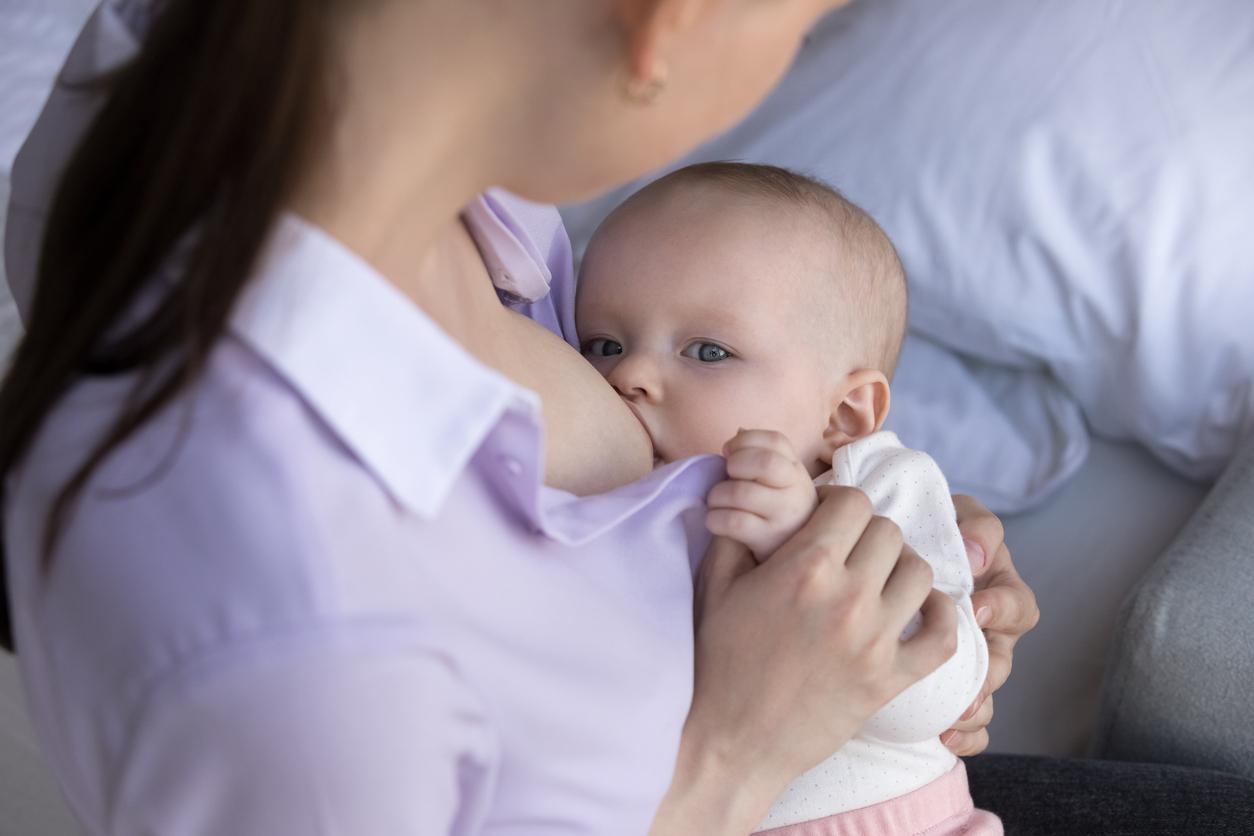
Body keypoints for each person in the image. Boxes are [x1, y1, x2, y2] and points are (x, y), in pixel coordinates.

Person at [0, 0, 1041, 833]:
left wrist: (879, 573)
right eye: (801, 30)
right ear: (664, 24)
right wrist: (740, 742)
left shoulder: (273, 94)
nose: (634, 374)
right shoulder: (302, 652)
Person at [576, 161, 999, 833]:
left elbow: (943, 694)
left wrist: (805, 544)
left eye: (708, 352)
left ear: (844, 415)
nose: (627, 375)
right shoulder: (604, 505)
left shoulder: (874, 487)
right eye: (602, 343)